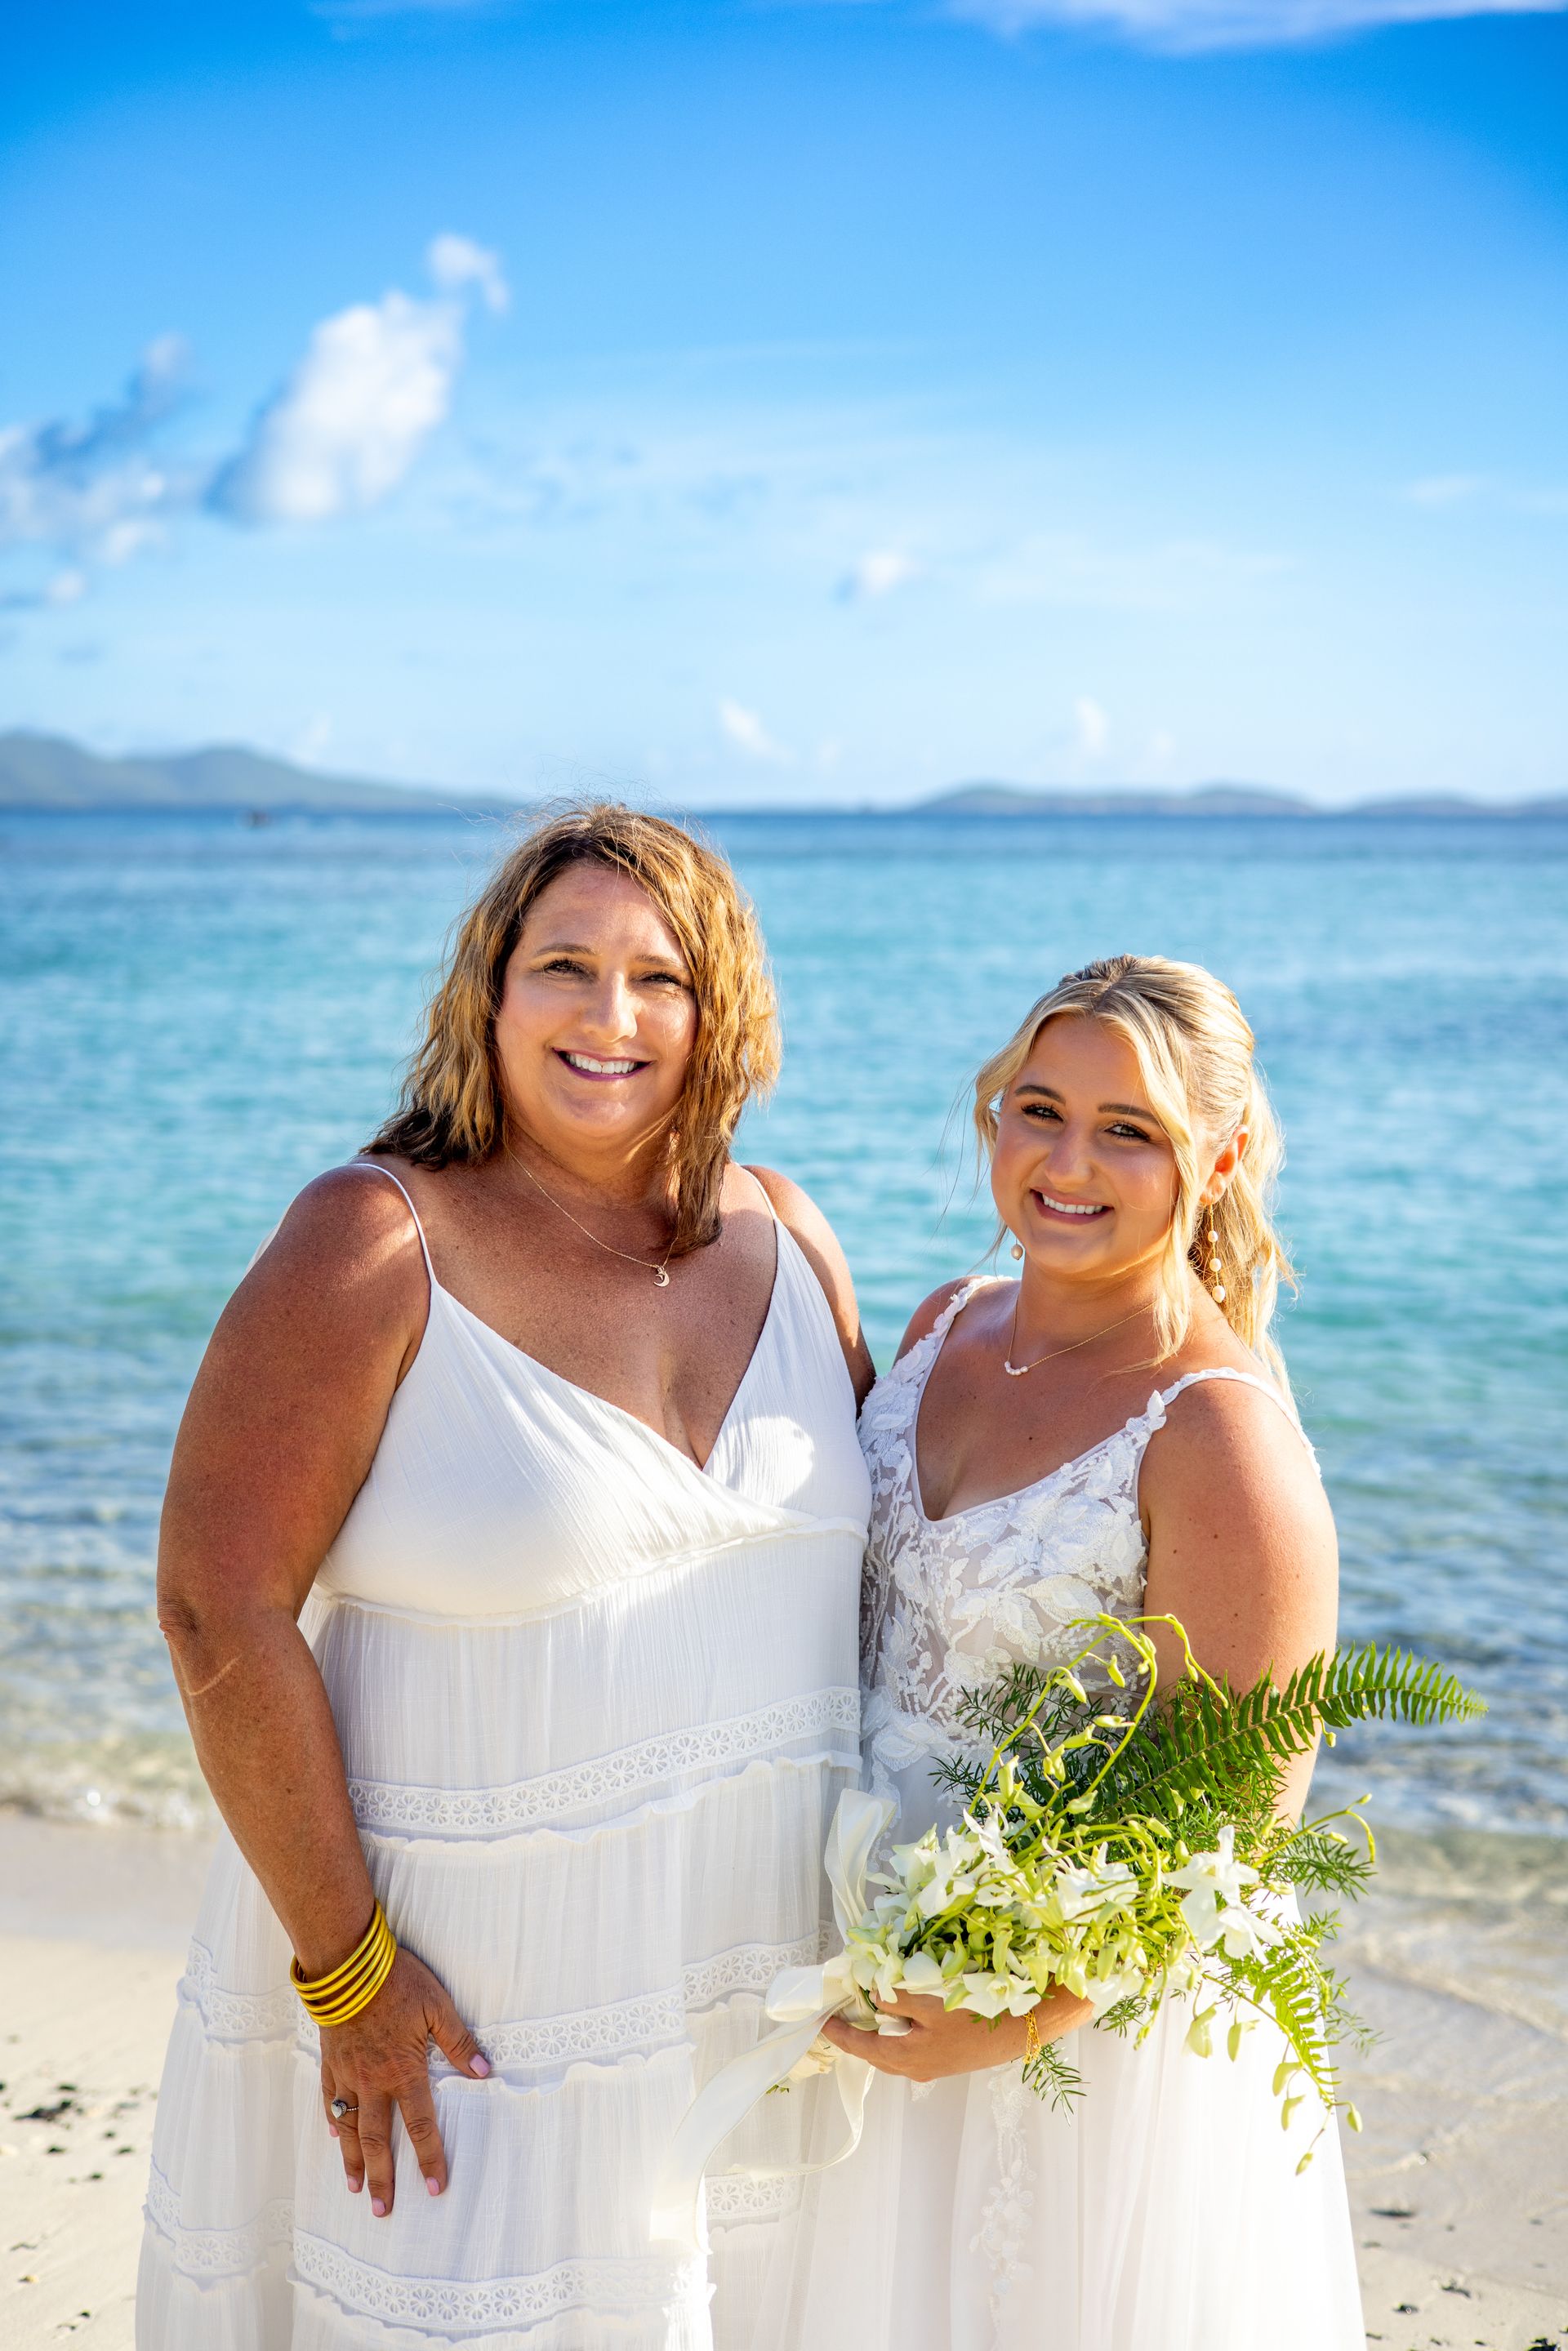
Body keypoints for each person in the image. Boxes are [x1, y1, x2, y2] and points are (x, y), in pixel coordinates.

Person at [139, 805, 875, 2351]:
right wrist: (348, 1973)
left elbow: (891, 1592)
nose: (612, 1015)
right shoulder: (373, 1238)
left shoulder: (790, 1236)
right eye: (564, 967)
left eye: (660, 978)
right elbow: (217, 1599)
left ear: (722, 1012)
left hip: (758, 2004)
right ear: (490, 993)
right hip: (468, 2010)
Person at [775, 954, 1364, 2351]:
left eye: (1129, 1131)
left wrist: (1019, 2018)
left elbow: (1239, 1824)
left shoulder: (1219, 1437)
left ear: (1218, 1159)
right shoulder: (941, 1324)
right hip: (862, 1949)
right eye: (1039, 1111)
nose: (1068, 1164)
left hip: (1065, 2038)